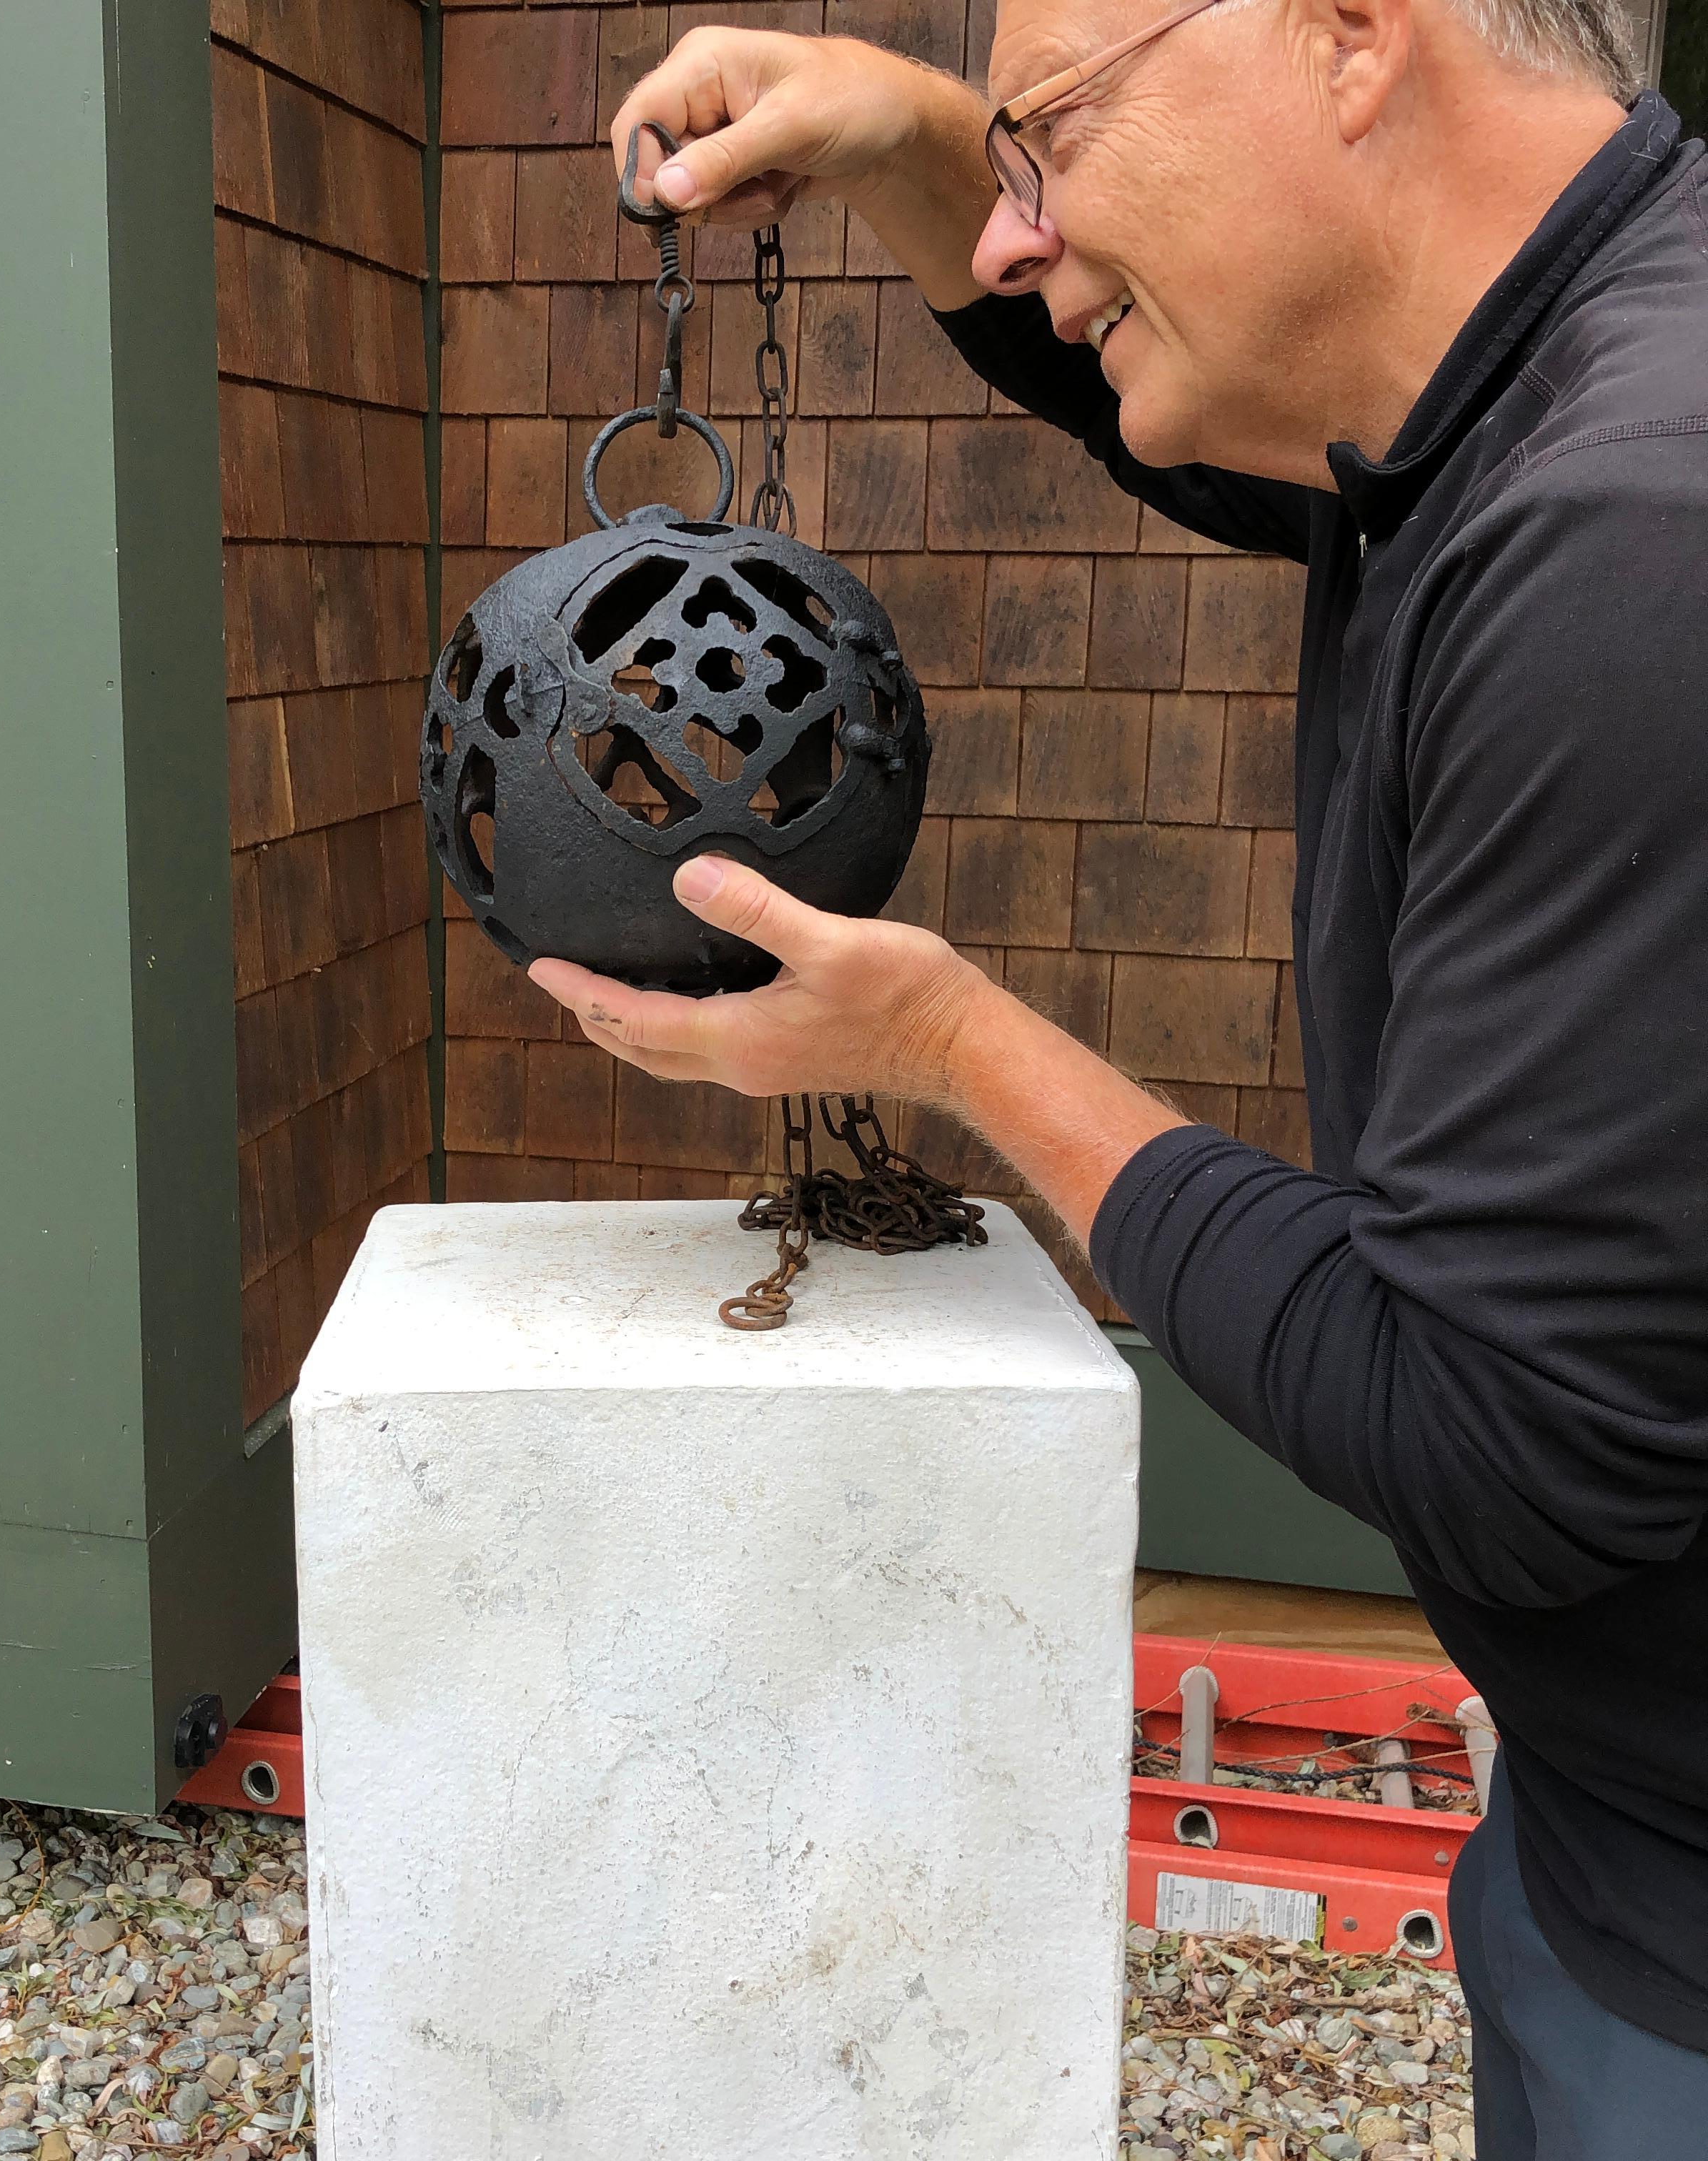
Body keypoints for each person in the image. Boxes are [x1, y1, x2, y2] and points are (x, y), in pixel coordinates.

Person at [523, 6, 1708, 2155]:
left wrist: (951, 1044)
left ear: (1352, 41)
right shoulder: (1537, 390)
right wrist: (907, 128)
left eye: (1050, 134)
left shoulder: (1636, 545)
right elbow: (1164, 398)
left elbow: (1503, 1428)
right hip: (1621, 1825)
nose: (1010, 239)